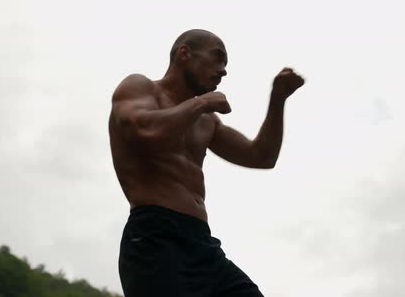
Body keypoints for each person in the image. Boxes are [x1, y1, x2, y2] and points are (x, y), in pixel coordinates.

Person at [109, 29, 304, 297]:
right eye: (217, 58)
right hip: (155, 238)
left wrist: (278, 99)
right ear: (185, 54)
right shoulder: (140, 87)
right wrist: (201, 103)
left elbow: (261, 156)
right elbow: (142, 130)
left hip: (202, 243)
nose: (223, 71)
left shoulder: (206, 120)